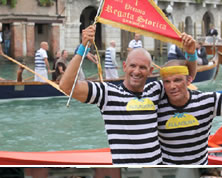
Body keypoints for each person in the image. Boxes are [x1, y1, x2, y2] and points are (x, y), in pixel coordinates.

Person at [60, 25, 197, 165]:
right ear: (125, 66)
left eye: (142, 67)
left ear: (150, 71)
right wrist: (83, 48)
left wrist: (191, 53)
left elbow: (187, 78)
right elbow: (66, 87)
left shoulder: (156, 90)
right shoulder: (107, 93)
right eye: (133, 66)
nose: (136, 71)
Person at [157, 59, 222, 164]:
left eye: (177, 80)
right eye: (167, 82)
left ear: (188, 81)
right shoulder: (155, 107)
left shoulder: (208, 101)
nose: (172, 86)